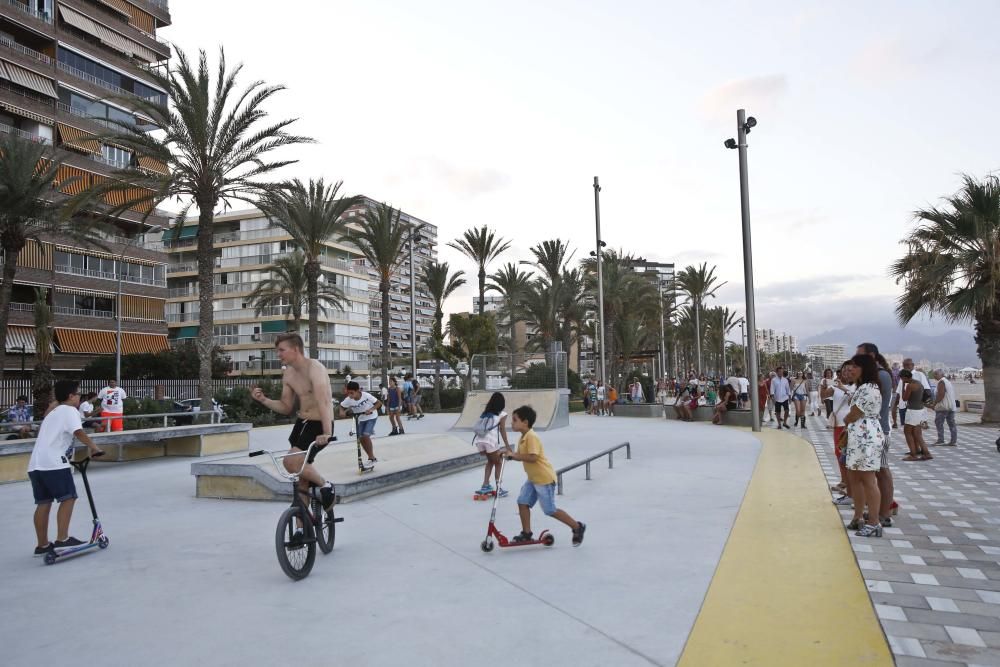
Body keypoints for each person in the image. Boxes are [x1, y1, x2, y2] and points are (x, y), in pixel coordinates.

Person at [251, 333, 337, 512]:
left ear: (296, 349)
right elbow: (285, 406)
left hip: (319, 425)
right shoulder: (288, 374)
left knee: (291, 462)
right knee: (301, 482)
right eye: (277, 351)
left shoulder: (315, 368)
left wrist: (327, 433)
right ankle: (300, 529)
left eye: (282, 350)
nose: (278, 355)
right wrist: (264, 400)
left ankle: (326, 485)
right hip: (301, 425)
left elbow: (325, 402)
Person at [27, 380, 104, 556]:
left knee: (43, 503)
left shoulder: (52, 412)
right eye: (78, 394)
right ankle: (62, 539)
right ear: (71, 396)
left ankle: (43, 545)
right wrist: (95, 448)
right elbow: (78, 432)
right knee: (68, 498)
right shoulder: (70, 411)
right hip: (54, 463)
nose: (79, 397)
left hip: (36, 464)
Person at [505, 405, 586, 546]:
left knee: (549, 510)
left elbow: (533, 457)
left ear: (525, 422)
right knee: (522, 502)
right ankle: (526, 533)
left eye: (514, 420)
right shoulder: (522, 438)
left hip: (544, 479)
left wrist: (513, 456)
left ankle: (577, 527)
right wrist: (508, 455)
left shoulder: (532, 437)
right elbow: (520, 456)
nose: (511, 423)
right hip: (533, 479)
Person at [842, 354, 885, 538]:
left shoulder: (869, 388)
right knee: (855, 478)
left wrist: (846, 419)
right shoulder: (863, 388)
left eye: (854, 366)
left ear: (864, 369)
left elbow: (854, 414)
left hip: (866, 437)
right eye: (850, 365)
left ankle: (874, 522)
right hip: (858, 437)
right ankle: (858, 517)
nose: (850, 369)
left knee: (868, 480)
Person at [857, 343, 896, 526]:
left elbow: (869, 405)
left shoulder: (880, 376)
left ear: (871, 356)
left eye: (860, 356)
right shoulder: (877, 376)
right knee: (877, 472)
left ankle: (884, 514)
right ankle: (880, 511)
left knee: (881, 471)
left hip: (878, 430)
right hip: (874, 430)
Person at [473, 392, 512, 498]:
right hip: (490, 441)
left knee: (490, 461)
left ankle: (485, 485)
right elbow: (502, 430)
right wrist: (507, 445)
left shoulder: (485, 413)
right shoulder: (502, 414)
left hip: (479, 441)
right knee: (498, 463)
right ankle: (498, 488)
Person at [825, 365, 855, 504]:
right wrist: (824, 385)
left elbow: (854, 397)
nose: (845, 375)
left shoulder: (856, 386)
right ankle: (845, 482)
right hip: (838, 423)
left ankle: (851, 489)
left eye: (848, 372)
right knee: (839, 454)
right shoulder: (836, 387)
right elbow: (823, 395)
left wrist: (843, 387)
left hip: (848, 425)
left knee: (847, 456)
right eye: (842, 372)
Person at [339, 381, 383, 465]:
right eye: (348, 393)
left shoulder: (366, 395)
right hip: (361, 419)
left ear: (358, 390)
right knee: (361, 438)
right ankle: (372, 458)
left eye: (352, 393)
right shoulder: (348, 400)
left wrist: (371, 409)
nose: (350, 395)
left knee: (365, 435)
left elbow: (379, 403)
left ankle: (371, 457)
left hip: (371, 417)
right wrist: (342, 412)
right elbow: (341, 406)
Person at [900, 369, 932, 461]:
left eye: (902, 379)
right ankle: (926, 453)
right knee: (917, 434)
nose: (902, 380)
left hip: (912, 411)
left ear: (904, 377)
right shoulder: (919, 383)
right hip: (920, 410)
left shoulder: (910, 386)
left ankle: (913, 454)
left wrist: (903, 386)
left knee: (908, 432)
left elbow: (904, 398)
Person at [932, 369, 958, 446]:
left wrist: (934, 403)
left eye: (936, 374)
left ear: (941, 374)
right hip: (951, 406)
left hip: (943, 407)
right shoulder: (947, 382)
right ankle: (953, 441)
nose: (934, 376)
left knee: (939, 423)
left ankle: (941, 440)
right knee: (951, 423)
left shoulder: (941, 382)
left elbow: (941, 395)